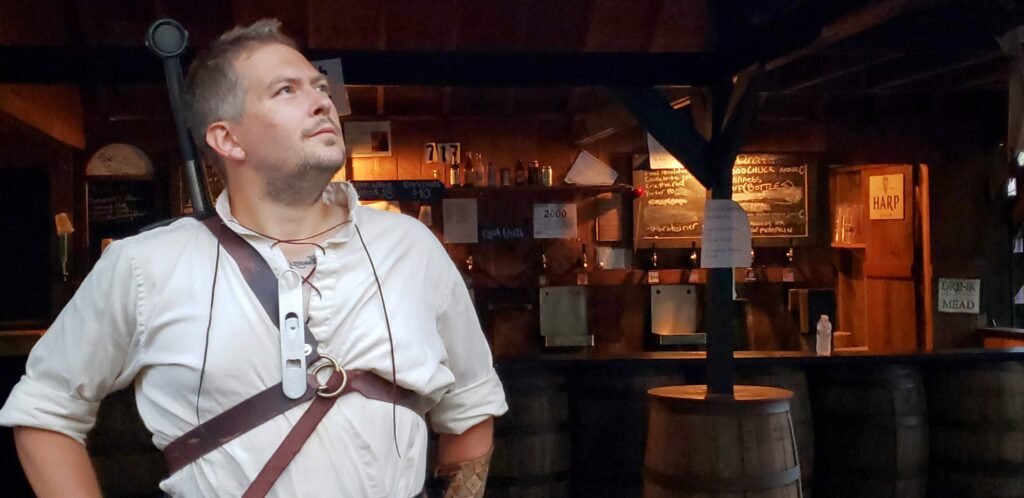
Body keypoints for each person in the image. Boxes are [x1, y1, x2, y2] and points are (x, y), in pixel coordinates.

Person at [0, 19, 506, 498]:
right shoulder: (144, 266)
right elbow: (46, 408)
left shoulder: (411, 247)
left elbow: (471, 406)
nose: (321, 102)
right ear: (227, 138)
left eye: (320, 87)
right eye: (287, 90)